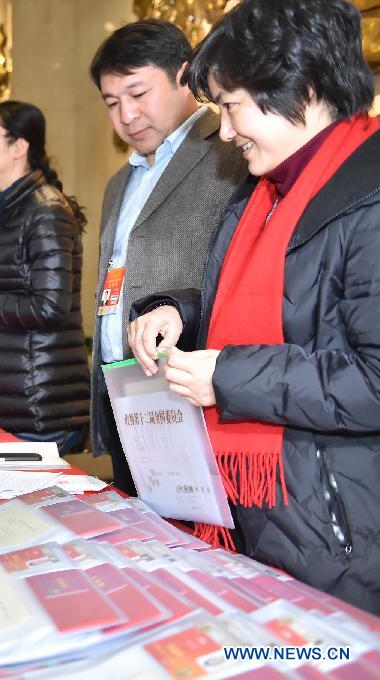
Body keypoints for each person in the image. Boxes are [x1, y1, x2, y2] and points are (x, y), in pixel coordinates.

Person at [127, 0, 379, 614]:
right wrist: (180, 312)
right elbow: (274, 302)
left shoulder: (368, 197)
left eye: (233, 105)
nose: (229, 130)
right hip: (264, 513)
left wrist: (229, 376)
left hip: (341, 529)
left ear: (303, 87)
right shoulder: (263, 191)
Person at [88, 19, 248, 493]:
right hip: (121, 390)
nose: (127, 115)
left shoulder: (232, 152)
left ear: (184, 76)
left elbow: (237, 270)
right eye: (113, 103)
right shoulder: (120, 181)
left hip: (186, 388)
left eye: (139, 93)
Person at [0, 101, 89, 453]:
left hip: (42, 404)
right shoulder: (10, 209)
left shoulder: (44, 210)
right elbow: (15, 290)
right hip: (16, 398)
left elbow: (50, 306)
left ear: (19, 147)